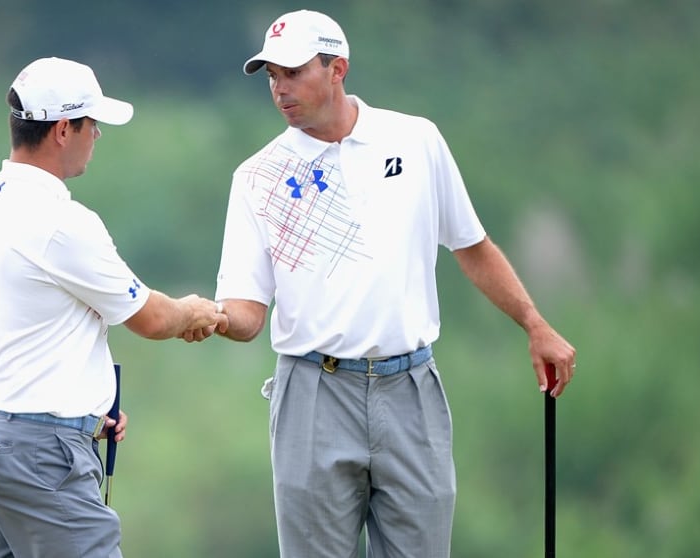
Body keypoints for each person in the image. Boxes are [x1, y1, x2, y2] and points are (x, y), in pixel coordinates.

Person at [204, 10, 577, 558]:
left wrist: (535, 324)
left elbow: (471, 247)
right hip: (313, 391)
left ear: (338, 69)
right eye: (271, 76)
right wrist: (206, 318)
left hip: (411, 389)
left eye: (293, 72)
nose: (280, 89)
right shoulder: (256, 176)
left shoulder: (416, 140)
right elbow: (247, 311)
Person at [0, 57, 227, 558]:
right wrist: (195, 311)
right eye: (91, 124)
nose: (97, 134)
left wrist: (78, 406)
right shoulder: (63, 222)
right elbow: (155, 319)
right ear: (61, 130)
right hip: (41, 456)